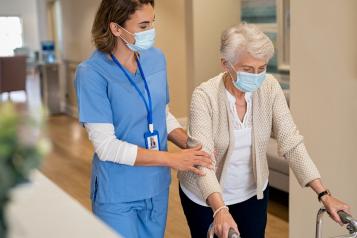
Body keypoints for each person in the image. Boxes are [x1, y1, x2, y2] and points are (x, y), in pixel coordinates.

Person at [178, 23, 350, 238]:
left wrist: (324, 194)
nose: (256, 76)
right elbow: (201, 161)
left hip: (251, 193)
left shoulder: (269, 86)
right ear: (225, 64)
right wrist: (220, 209)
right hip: (204, 196)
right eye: (248, 70)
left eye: (262, 68)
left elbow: (291, 141)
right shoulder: (204, 96)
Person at [74, 0, 212, 237]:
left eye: (152, 23)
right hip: (117, 193)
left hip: (155, 187)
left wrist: (190, 144)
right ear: (116, 28)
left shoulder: (156, 58)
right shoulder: (91, 73)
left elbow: (161, 114)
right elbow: (106, 147)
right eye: (143, 25)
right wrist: (173, 159)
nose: (151, 32)